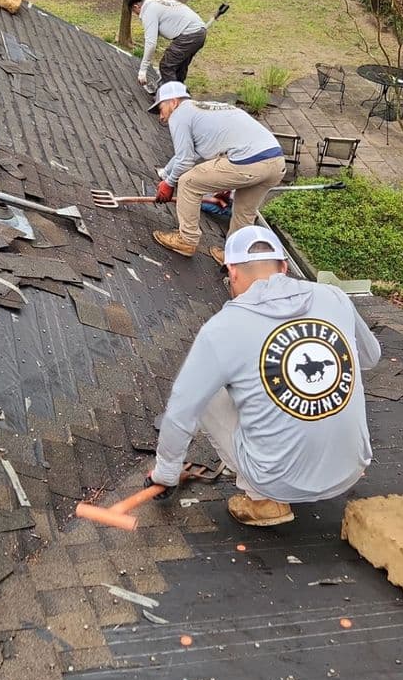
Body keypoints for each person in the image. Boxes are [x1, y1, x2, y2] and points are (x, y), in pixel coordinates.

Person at [149, 226, 381, 528]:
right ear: (283, 267)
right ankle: (325, 459)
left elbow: (182, 411)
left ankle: (263, 500)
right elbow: (370, 357)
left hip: (278, 480)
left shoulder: (224, 328)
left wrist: (165, 474)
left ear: (232, 272)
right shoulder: (334, 297)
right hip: (349, 469)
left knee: (202, 395)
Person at [149, 81, 286, 262]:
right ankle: (234, 258)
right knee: (244, 213)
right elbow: (187, 154)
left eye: (161, 109)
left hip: (249, 161)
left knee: (188, 182)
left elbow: (185, 160)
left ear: (173, 102)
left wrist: (169, 182)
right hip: (276, 162)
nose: (161, 116)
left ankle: (186, 240)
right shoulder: (204, 111)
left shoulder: (179, 115)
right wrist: (166, 174)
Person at [128, 0, 207, 87]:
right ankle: (180, 95)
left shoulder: (148, 11)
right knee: (179, 66)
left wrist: (143, 70)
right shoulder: (155, 4)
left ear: (136, 6)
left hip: (190, 34)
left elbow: (151, 43)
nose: (136, 15)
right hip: (199, 32)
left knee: (166, 66)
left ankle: (172, 97)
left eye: (134, 11)